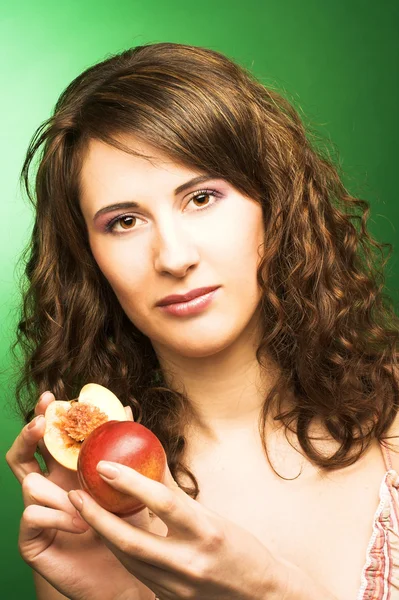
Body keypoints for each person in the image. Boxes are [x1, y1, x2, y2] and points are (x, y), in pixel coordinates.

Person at [5, 41, 399, 600]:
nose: (173, 256)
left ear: (274, 201)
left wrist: (269, 593)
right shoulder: (91, 514)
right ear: (88, 259)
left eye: (202, 197)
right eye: (123, 221)